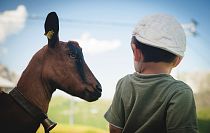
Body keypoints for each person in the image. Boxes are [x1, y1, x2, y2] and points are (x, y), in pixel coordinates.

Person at [104, 14, 199, 133]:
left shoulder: (124, 83)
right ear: (178, 60)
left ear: (136, 52)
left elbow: (114, 129)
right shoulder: (180, 92)